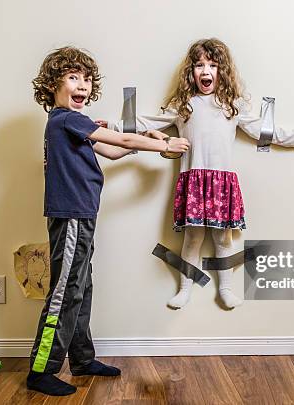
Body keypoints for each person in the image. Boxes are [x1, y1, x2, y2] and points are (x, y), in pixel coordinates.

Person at [27, 46, 189, 396]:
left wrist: (154, 142)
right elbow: (121, 138)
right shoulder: (65, 119)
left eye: (86, 79)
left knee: (80, 288)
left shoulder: (73, 124)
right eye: (73, 77)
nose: (81, 85)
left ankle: (83, 359)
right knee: (64, 292)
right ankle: (41, 370)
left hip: (83, 215)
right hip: (70, 216)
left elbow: (115, 149)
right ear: (53, 84)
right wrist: (160, 140)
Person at [110, 38, 294, 309]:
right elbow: (147, 122)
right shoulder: (183, 105)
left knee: (223, 238)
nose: (205, 71)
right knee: (192, 238)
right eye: (199, 65)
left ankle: (226, 290)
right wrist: (112, 127)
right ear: (191, 71)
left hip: (221, 181)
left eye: (212, 65)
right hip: (193, 179)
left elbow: (261, 130)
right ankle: (184, 289)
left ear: (222, 70)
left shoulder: (231, 105)